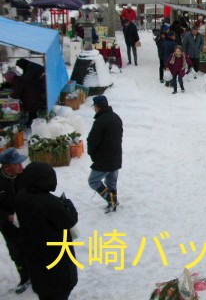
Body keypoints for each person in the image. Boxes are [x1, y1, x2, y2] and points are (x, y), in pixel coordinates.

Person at [15, 162, 78, 300]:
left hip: (34, 256)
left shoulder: (21, 196)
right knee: (58, 292)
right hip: (55, 258)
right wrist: (68, 204)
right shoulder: (49, 203)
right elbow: (69, 220)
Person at [0, 148, 30, 294]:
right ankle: (24, 277)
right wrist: (8, 216)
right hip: (8, 226)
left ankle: (37, 274)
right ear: (7, 167)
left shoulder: (25, 177)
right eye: (17, 164)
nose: (21, 166)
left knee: (33, 249)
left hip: (27, 222)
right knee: (16, 252)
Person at [87, 95, 123, 213]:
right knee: (111, 182)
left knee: (93, 181)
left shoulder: (100, 121)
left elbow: (92, 141)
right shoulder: (116, 118)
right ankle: (113, 201)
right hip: (116, 156)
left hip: (104, 159)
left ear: (97, 107)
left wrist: (92, 155)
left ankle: (110, 200)